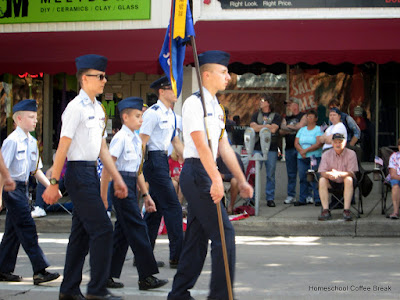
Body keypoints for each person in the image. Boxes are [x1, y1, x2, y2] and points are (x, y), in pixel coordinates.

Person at [168, 50, 253, 300]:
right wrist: (216, 179)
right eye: (223, 71)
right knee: (224, 235)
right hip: (197, 173)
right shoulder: (194, 103)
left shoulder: (216, 106)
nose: (228, 76)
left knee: (196, 239)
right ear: (207, 75)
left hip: (203, 172)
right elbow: (201, 144)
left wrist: (242, 179)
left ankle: (178, 293)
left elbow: (223, 146)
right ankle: (221, 295)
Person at [42, 54, 128, 300]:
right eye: (100, 76)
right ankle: (97, 291)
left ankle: (69, 290)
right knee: (103, 230)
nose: (104, 80)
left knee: (80, 236)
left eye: (105, 76)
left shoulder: (98, 109)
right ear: (84, 79)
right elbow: (63, 146)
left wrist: (117, 178)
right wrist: (54, 182)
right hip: (78, 174)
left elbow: (102, 148)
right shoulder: (74, 108)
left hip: (90, 171)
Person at [100, 97, 168, 290]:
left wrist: (146, 196)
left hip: (130, 185)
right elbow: (108, 167)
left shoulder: (136, 140)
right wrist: (103, 195)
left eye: (142, 116)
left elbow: (137, 171)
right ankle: (146, 276)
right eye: (138, 116)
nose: (141, 120)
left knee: (122, 233)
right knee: (139, 229)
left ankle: (107, 275)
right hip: (120, 187)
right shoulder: (120, 138)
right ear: (125, 117)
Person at [0, 99, 60, 285]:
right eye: (31, 117)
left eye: (36, 117)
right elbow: (2, 171)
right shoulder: (11, 141)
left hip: (24, 188)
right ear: (18, 119)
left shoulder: (33, 142)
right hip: (11, 188)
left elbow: (36, 170)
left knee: (13, 231)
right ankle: (39, 270)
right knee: (27, 227)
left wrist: (51, 186)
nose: (35, 120)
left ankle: (3, 269)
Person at [139, 76, 184, 269]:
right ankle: (177, 256)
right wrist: (138, 169)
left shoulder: (171, 114)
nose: (175, 91)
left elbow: (175, 141)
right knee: (173, 207)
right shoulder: (153, 113)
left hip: (162, 160)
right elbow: (142, 141)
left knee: (154, 211)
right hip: (153, 161)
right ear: (161, 92)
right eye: (171, 88)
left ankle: (144, 255)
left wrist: (189, 161)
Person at [249, 94, 282, 207]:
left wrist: (260, 127)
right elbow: (253, 127)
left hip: (271, 148)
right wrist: (268, 126)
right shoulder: (255, 115)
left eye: (263, 100)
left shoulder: (276, 116)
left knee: (270, 174)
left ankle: (270, 198)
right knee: (254, 173)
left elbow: (274, 129)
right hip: (257, 148)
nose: (260, 102)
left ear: (268, 102)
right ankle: (252, 197)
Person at [317, 133, 358, 221]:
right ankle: (325, 210)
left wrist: (338, 174)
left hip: (345, 182)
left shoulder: (351, 154)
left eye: (340, 142)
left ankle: (346, 210)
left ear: (345, 143)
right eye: (335, 142)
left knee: (349, 179)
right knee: (322, 180)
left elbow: (351, 173)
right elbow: (322, 172)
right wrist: (330, 174)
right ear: (332, 143)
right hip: (331, 181)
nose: (338, 144)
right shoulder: (326, 154)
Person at [280, 98, 307, 204]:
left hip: (301, 148)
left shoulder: (303, 115)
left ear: (296, 105)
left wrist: (289, 128)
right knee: (291, 174)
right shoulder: (285, 117)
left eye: (290, 104)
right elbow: (281, 130)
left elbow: (301, 126)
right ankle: (291, 195)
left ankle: (306, 195)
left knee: (303, 173)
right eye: (287, 105)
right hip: (289, 148)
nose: (288, 107)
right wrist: (293, 128)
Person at [294, 110, 323, 206]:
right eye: (307, 117)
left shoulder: (319, 129)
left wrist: (306, 151)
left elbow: (318, 143)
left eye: (311, 117)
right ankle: (303, 198)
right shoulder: (302, 130)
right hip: (301, 157)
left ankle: (318, 199)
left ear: (316, 119)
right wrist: (301, 151)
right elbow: (296, 143)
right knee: (303, 177)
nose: (309, 119)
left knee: (315, 177)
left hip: (314, 156)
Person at [217, 150, 245, 214]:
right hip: (220, 182)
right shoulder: (216, 158)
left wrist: (224, 176)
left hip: (233, 182)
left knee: (235, 181)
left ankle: (230, 207)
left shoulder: (235, 157)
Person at [387, 138, 400, 219]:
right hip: (397, 178)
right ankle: (395, 212)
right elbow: (393, 175)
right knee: (395, 186)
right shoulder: (394, 156)